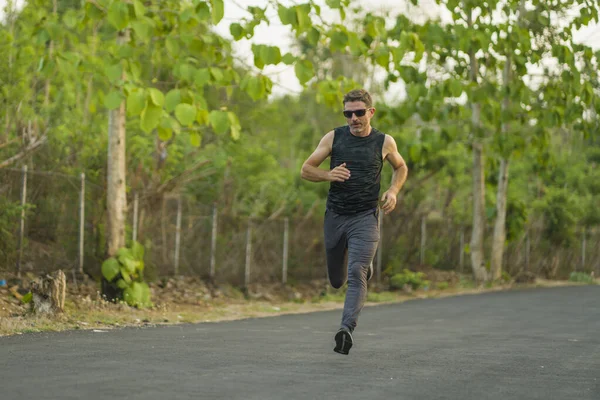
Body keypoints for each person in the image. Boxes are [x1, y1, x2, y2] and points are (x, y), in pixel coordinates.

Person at [300, 89, 408, 355]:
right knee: (337, 280)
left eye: (359, 112)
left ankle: (346, 329)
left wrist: (393, 191)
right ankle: (358, 265)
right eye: (348, 113)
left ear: (370, 112)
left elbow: (401, 167)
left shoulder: (384, 142)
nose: (354, 118)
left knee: (356, 272)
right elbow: (305, 169)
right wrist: (328, 175)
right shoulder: (333, 137)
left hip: (365, 216)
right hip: (336, 216)